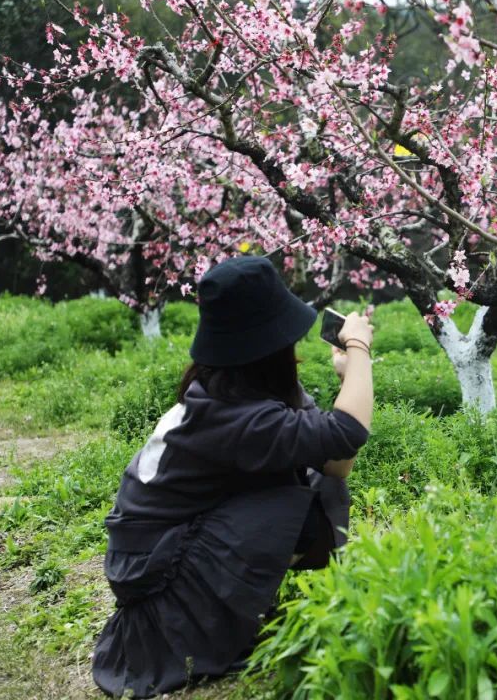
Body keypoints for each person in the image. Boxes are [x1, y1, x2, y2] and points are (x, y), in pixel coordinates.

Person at [91, 256, 374, 698]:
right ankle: (215, 621)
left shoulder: (238, 390)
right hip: (153, 573)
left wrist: (346, 378)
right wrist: (359, 351)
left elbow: (337, 463)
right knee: (293, 502)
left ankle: (243, 606)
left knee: (318, 488)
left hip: (160, 549)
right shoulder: (236, 415)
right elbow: (347, 433)